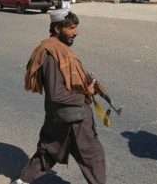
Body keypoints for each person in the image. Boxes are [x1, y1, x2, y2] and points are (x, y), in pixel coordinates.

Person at [13, 9, 106, 184]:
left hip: (59, 117)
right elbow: (57, 93)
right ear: (57, 29)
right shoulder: (52, 54)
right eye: (71, 28)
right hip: (73, 118)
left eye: (75, 27)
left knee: (49, 150)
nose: (75, 33)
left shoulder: (57, 49)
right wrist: (87, 93)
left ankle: (22, 181)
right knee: (93, 156)